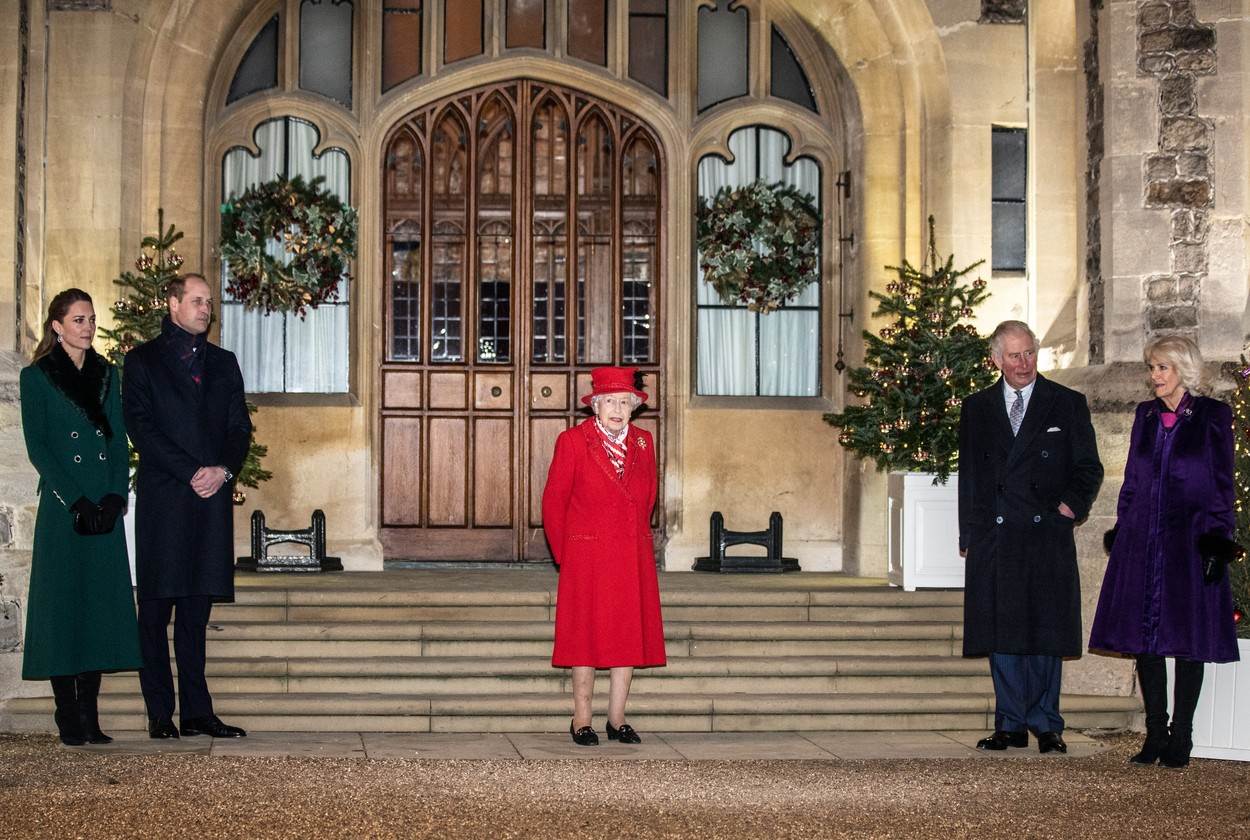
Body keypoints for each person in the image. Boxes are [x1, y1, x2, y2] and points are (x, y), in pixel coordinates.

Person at [1089, 334, 1240, 768]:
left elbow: (1221, 485)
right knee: (1146, 641)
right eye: (1152, 367)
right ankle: (1155, 733)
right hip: (1143, 540)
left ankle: (1182, 737)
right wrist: (1122, 529)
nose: (1154, 375)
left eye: (1162, 367)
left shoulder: (1213, 416)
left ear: (1183, 370)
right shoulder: (1145, 416)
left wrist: (1217, 539)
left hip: (1190, 541)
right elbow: (1132, 481)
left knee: (1189, 641)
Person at [958, 320, 1103, 754]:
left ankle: (1047, 723)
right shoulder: (977, 407)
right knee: (1002, 633)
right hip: (996, 538)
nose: (1024, 364)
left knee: (1046, 631)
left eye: (1030, 353)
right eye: (1015, 355)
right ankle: (1009, 723)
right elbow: (971, 477)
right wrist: (971, 533)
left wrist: (1068, 508)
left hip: (1046, 536)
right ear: (996, 360)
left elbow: (1089, 468)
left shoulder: (1066, 403)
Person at [122, 273, 251, 739]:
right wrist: (190, 471)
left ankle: (198, 711)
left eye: (209, 303)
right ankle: (160, 712)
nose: (205, 309)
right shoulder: (141, 362)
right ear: (172, 303)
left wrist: (222, 471)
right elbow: (141, 428)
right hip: (165, 500)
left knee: (196, 613)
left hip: (211, 501)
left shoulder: (224, 362)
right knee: (155, 612)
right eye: (196, 301)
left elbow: (240, 429)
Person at [19, 288, 142, 746]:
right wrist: (75, 500)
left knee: (98, 607)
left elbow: (116, 439)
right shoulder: (36, 378)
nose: (87, 326)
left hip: (103, 508)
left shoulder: (108, 374)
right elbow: (40, 449)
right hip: (63, 508)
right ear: (57, 326)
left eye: (91, 319)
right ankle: (66, 712)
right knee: (62, 606)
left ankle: (91, 714)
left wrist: (114, 496)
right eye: (77, 319)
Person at [542, 366, 666, 746]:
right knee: (585, 637)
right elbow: (553, 502)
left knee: (626, 635)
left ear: (633, 407)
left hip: (630, 553)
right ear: (596, 406)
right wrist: (568, 554)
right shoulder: (573, 442)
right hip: (587, 555)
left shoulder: (644, 442)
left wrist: (634, 537)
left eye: (624, 402)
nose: (617, 408)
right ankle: (581, 719)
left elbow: (647, 498)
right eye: (609, 401)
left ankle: (617, 719)